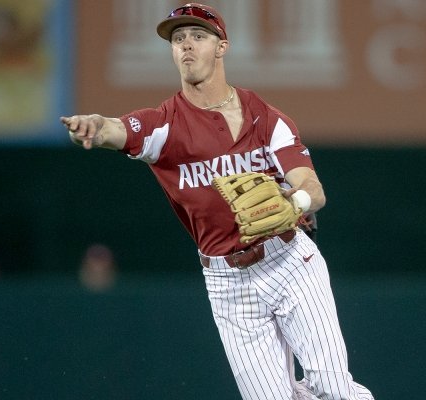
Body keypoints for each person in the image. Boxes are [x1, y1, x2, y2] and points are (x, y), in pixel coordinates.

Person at [60, 3, 373, 399]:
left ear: (221, 46)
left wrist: (295, 204)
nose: (186, 45)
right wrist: (94, 125)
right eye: (177, 39)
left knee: (333, 388)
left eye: (197, 36)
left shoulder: (266, 118)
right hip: (228, 282)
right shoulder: (166, 126)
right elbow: (116, 129)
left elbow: (313, 188)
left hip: (290, 262)